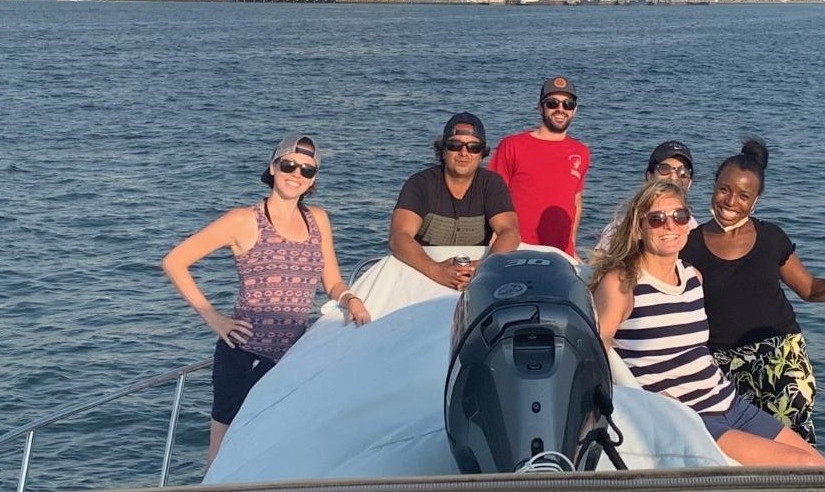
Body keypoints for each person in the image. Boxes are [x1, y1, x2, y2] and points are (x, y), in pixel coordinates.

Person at [161, 134, 371, 466]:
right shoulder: (243, 220)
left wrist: (350, 299)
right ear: (272, 167)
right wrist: (214, 318)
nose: (296, 174)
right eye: (288, 165)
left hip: (293, 356)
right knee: (225, 448)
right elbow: (174, 261)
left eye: (307, 170)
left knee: (280, 444)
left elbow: (331, 279)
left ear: (313, 179)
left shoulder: (317, 219)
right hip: (244, 354)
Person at [589, 179, 825, 466]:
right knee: (806, 468)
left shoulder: (693, 277)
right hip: (688, 418)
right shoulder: (622, 283)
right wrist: (638, 405)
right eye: (657, 219)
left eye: (680, 217)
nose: (670, 226)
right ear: (639, 227)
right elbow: (595, 353)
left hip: (729, 402)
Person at [679, 138, 825, 445]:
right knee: (736, 452)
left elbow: (811, 289)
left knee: (792, 446)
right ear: (714, 186)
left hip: (780, 357)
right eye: (725, 189)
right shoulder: (688, 244)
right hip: (720, 364)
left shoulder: (771, 238)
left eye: (744, 195)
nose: (731, 201)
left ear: (756, 200)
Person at [388, 112, 520, 290]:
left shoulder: (492, 184)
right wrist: (436, 270)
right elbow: (399, 236)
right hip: (423, 275)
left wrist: (484, 268)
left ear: (482, 154)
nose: (464, 153)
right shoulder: (420, 184)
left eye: (473, 147)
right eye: (455, 145)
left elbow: (510, 231)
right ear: (442, 150)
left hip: (475, 279)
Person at [489, 76, 589, 257]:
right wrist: (494, 244)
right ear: (540, 107)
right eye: (552, 103)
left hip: (560, 253)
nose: (560, 109)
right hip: (516, 247)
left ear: (575, 110)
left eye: (568, 104)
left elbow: (575, 201)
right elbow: (493, 196)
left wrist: (572, 249)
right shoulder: (512, 145)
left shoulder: (581, 152)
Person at [590, 140, 699, 260]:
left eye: (682, 172)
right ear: (649, 176)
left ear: (689, 183)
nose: (673, 177)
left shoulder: (692, 227)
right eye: (664, 169)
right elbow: (598, 263)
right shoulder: (626, 222)